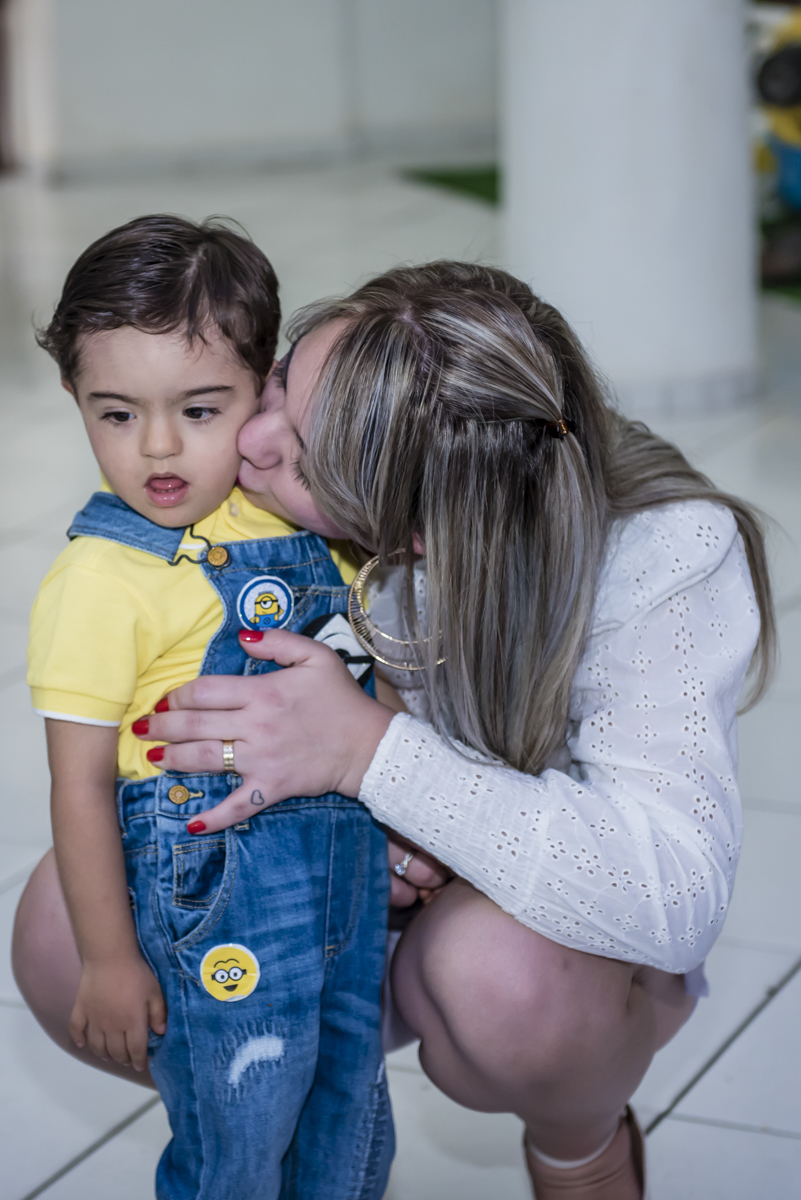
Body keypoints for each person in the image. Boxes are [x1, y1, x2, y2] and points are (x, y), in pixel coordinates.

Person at [15, 261, 774, 1200]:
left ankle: (580, 1140)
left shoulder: (664, 551)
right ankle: (278, 1089)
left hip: (560, 947)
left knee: (501, 979)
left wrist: (372, 756)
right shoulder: (279, 483)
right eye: (285, 381)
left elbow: (675, 896)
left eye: (299, 461)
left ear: (410, 533)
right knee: (63, 924)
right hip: (325, 899)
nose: (246, 442)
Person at [21, 216, 395, 1200]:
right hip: (213, 902)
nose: (156, 449)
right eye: (115, 414)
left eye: (199, 409)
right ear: (72, 398)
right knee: (239, 1133)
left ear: (266, 389)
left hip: (344, 892)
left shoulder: (293, 515)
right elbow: (79, 786)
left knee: (350, 1123)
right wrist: (106, 959)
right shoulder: (100, 579)